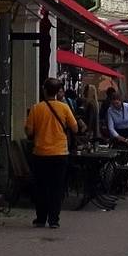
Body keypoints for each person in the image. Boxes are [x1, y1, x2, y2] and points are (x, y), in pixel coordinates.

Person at [24, 77, 79, 229]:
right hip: (60, 153)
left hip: (40, 153)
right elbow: (75, 128)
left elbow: (29, 131)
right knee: (57, 187)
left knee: (41, 187)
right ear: (56, 92)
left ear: (44, 90)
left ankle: (40, 218)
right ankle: (54, 220)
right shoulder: (64, 108)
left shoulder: (36, 109)